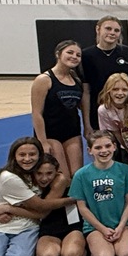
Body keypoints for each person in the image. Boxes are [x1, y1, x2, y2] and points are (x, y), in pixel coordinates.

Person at [70, 130, 128, 256]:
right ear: (90, 151)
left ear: (114, 146)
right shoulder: (81, 175)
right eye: (98, 147)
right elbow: (82, 207)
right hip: (95, 227)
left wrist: (121, 226)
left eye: (108, 146)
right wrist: (101, 229)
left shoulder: (126, 171)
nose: (104, 151)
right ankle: (92, 247)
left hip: (121, 224)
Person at [81, 15, 128, 134]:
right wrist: (87, 124)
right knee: (105, 149)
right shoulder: (86, 56)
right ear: (98, 29)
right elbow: (86, 92)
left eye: (116, 30)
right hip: (99, 113)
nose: (112, 33)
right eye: (108, 29)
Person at [31, 39, 84, 177]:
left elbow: (80, 107)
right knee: (63, 176)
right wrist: (42, 141)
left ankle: (77, 199)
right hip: (51, 133)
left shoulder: (76, 80)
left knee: (77, 175)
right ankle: (63, 199)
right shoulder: (44, 80)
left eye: (78, 55)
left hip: (72, 131)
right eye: (70, 52)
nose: (74, 57)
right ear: (58, 54)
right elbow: (37, 113)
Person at [30, 154, 86, 256]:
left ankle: (85, 250)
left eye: (49, 173)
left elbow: (43, 208)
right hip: (49, 228)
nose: (44, 178)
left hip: (71, 225)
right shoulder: (30, 185)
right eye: (39, 173)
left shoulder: (61, 180)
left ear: (57, 171)